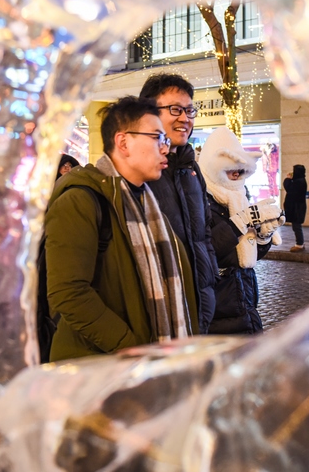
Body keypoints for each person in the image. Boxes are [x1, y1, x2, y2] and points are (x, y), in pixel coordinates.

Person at [44, 96, 199, 361]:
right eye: (156, 138)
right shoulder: (81, 200)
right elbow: (68, 294)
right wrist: (131, 348)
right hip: (100, 371)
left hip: (149, 369)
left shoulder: (148, 204)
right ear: (123, 142)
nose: (165, 148)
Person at [139, 73, 219, 333]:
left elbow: (204, 234)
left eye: (189, 110)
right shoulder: (137, 172)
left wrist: (210, 283)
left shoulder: (190, 169)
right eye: (175, 109)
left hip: (199, 306)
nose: (185, 118)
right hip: (157, 311)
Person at [199, 126, 284, 334]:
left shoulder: (239, 195)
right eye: (230, 168)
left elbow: (249, 257)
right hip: (219, 304)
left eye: (240, 168)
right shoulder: (201, 199)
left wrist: (264, 236)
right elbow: (208, 251)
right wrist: (242, 221)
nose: (236, 173)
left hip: (244, 299)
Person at [283, 165, 307, 252]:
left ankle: (299, 244)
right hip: (297, 207)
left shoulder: (298, 182)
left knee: (296, 226)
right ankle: (300, 243)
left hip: (296, 208)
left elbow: (289, 188)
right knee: (296, 226)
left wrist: (288, 179)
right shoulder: (300, 180)